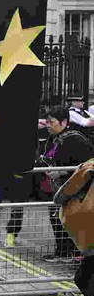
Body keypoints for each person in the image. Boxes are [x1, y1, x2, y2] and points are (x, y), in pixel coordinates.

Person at [41, 105, 94, 262]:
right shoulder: (55, 138)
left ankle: (75, 253)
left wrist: (62, 172)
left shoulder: (74, 139)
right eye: (47, 122)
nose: (49, 125)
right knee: (58, 218)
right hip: (60, 188)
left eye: (52, 122)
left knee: (70, 220)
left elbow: (86, 166)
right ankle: (63, 252)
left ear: (64, 122)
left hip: (76, 192)